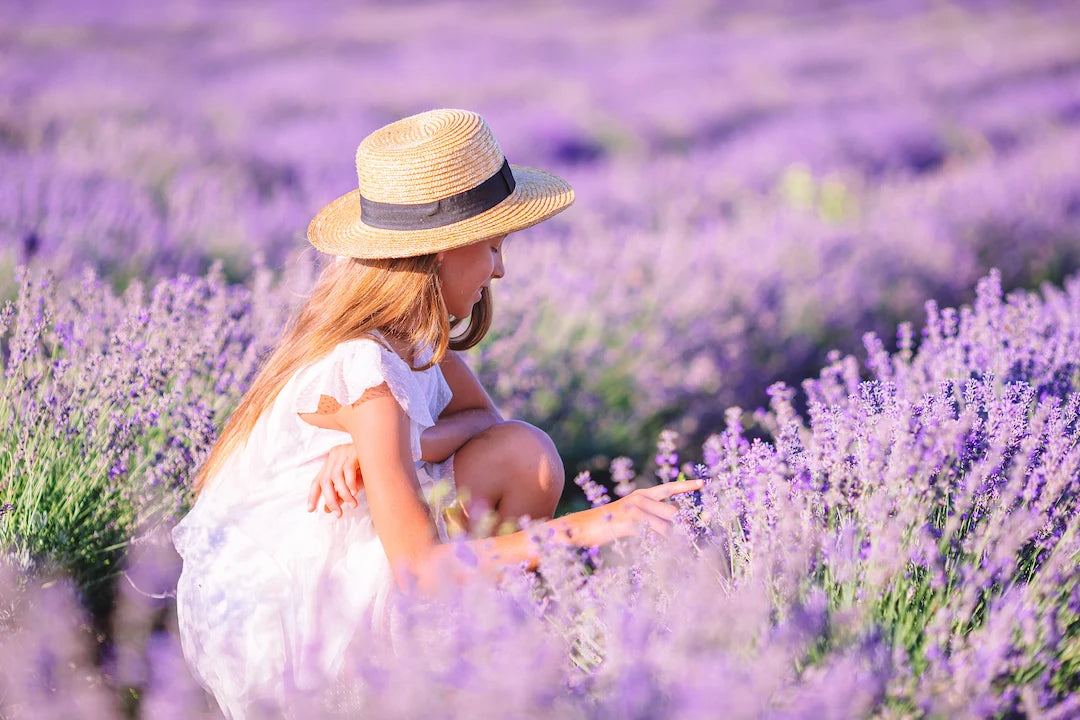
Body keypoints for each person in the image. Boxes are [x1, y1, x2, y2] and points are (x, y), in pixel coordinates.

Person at [170, 108, 702, 719]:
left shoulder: (411, 340)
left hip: (371, 552)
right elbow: (418, 570)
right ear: (439, 253)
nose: (500, 268)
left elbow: (489, 424)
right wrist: (596, 525)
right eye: (494, 247)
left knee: (525, 452)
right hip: (313, 619)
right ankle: (478, 672)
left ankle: (490, 659)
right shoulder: (365, 367)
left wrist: (397, 449)